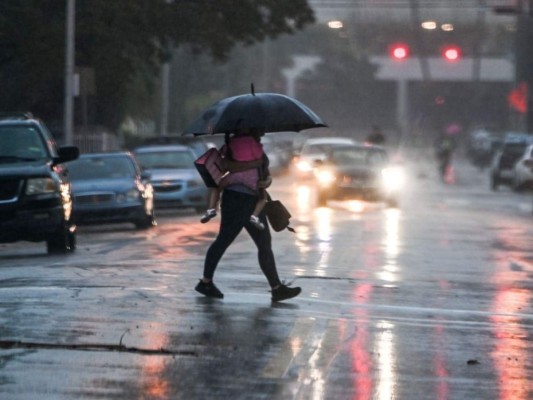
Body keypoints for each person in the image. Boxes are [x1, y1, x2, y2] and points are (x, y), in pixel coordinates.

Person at [195, 128, 302, 302]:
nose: (262, 132)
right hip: (238, 199)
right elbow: (227, 167)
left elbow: (265, 177)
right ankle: (206, 282)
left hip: (247, 199)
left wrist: (265, 181)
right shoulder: (234, 147)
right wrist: (253, 165)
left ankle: (276, 288)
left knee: (262, 243)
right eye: (259, 130)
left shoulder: (250, 147)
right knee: (227, 240)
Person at [200, 132, 267, 230]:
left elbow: (221, 154)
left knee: (217, 187)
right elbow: (258, 156)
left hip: (235, 176)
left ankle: (211, 209)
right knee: (263, 197)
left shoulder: (231, 142)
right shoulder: (252, 141)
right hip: (252, 176)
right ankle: (254, 216)